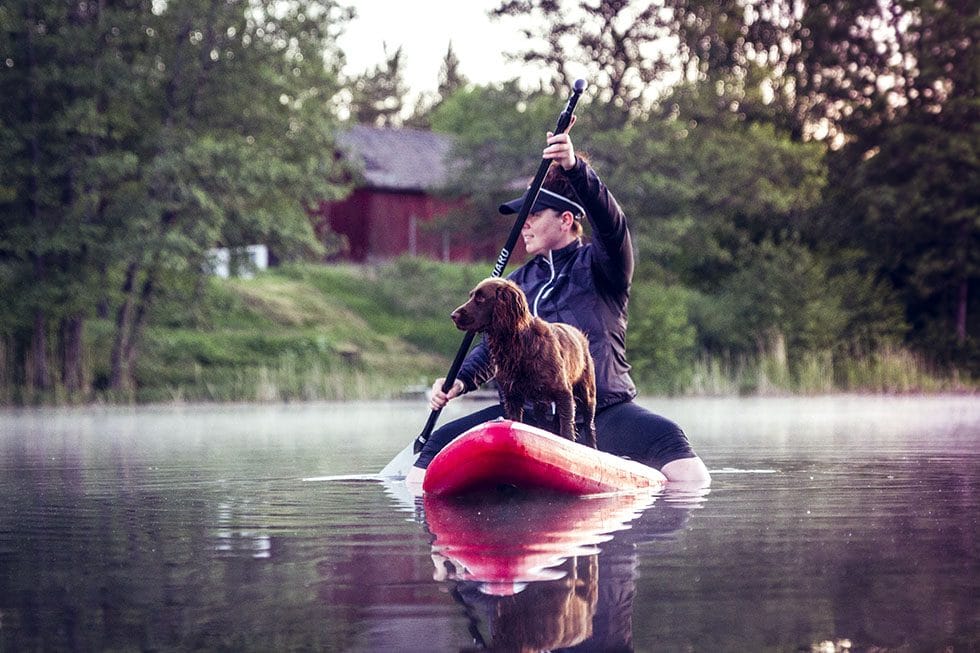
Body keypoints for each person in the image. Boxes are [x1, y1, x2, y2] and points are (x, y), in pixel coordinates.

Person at [406, 120, 710, 484]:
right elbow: (494, 348)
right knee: (433, 448)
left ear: (566, 220)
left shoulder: (603, 266)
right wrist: (460, 381)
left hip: (604, 413)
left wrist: (575, 169)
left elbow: (612, 225)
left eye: (533, 215)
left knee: (680, 456)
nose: (524, 226)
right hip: (529, 416)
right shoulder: (515, 284)